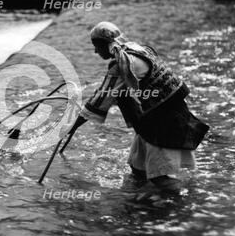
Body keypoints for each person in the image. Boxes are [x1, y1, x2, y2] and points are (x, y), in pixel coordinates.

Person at [70, 22, 209, 194]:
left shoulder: (121, 64)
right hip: (161, 114)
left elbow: (100, 99)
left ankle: (185, 203)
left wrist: (73, 127)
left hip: (161, 121)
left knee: (159, 177)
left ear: (105, 45)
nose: (95, 52)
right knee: (138, 169)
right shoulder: (138, 50)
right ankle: (138, 202)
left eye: (96, 47)